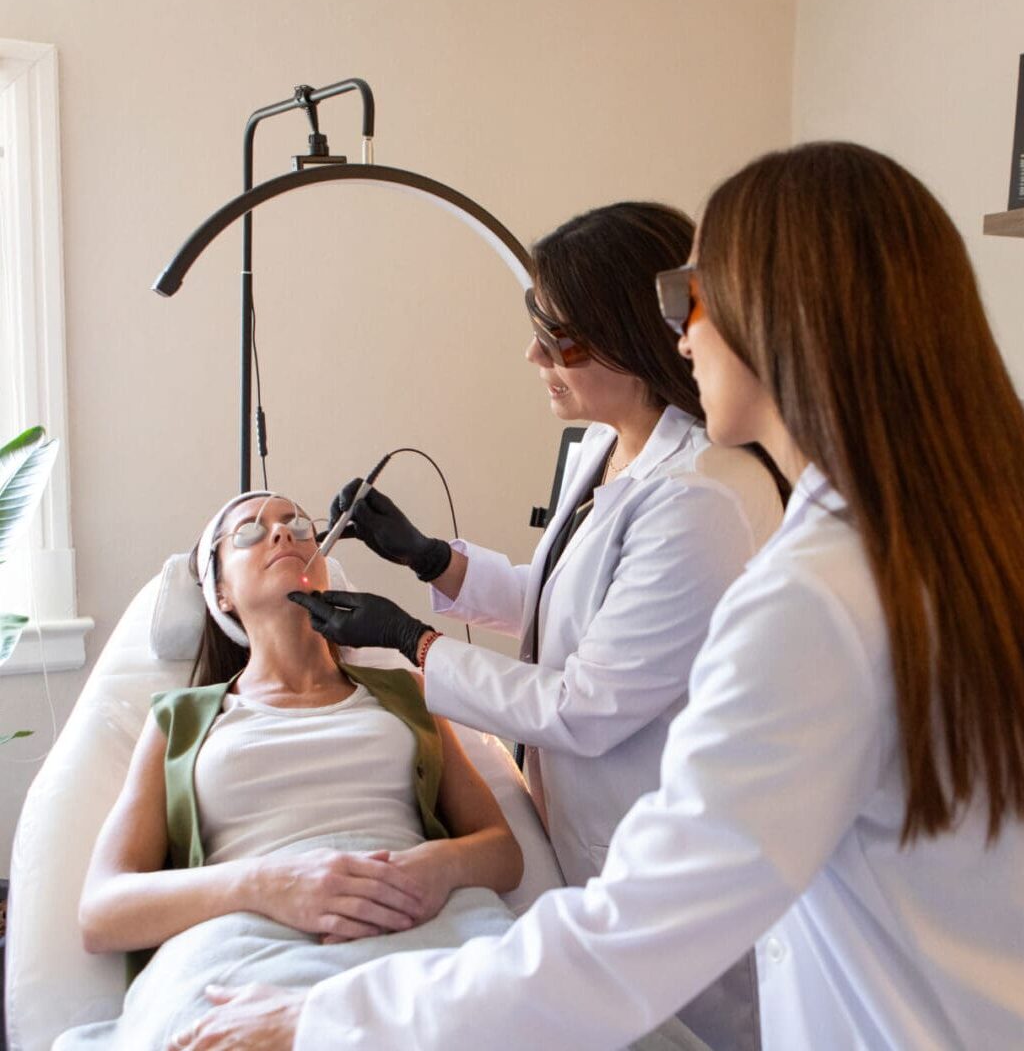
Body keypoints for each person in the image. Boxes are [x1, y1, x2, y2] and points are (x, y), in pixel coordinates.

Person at [174, 143, 1024, 1050]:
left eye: (691, 295)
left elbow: (632, 905)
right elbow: (580, 604)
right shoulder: (987, 536)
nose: (681, 332)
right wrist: (434, 562)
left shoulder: (794, 582)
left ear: (781, 317)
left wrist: (328, 1018)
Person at [293, 202, 788, 1047]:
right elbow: (566, 601)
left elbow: (583, 705)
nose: (534, 357)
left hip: (661, 850)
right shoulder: (610, 446)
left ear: (633, 338)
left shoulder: (698, 496)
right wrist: (430, 560)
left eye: (558, 339)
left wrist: (412, 643)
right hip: (582, 834)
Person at [56, 491, 524, 1049]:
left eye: (300, 525)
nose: (282, 533)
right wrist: (269, 883)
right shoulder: (179, 722)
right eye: (249, 532)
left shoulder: (408, 692)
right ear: (221, 592)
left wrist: (435, 868)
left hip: (417, 923)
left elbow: (503, 853)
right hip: (245, 949)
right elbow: (103, 912)